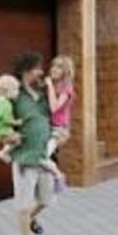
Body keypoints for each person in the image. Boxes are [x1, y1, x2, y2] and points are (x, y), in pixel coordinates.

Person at [9, 51, 55, 235]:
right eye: (37, 68)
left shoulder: (43, 93)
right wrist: (6, 136)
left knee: (45, 200)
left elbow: (54, 115)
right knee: (24, 204)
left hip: (44, 157)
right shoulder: (14, 95)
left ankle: (31, 219)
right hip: (24, 157)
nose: (41, 71)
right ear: (25, 70)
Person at [42, 55, 75, 191]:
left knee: (41, 156)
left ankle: (58, 176)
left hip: (59, 130)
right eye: (53, 66)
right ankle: (52, 178)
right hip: (48, 127)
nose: (54, 69)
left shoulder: (66, 88)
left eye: (59, 67)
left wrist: (49, 86)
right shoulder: (54, 85)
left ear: (65, 71)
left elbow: (54, 107)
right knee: (38, 156)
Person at [0, 74, 23, 164]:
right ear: (7, 91)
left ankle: (5, 150)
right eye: (15, 89)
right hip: (1, 128)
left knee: (10, 139)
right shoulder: (6, 104)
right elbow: (6, 119)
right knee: (18, 140)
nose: (17, 92)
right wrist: (17, 122)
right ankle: (4, 153)